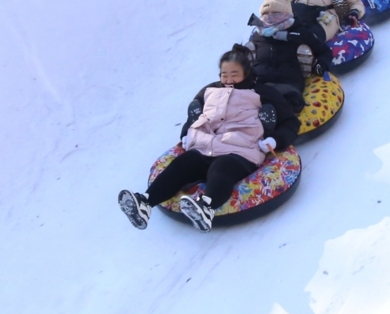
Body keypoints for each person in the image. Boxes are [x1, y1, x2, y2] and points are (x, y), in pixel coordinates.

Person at [118, 45, 298, 231]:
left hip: (241, 149)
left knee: (221, 168)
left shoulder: (262, 92)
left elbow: (291, 123)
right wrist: (186, 133)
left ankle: (206, 207)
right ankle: (145, 203)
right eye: (224, 75)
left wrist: (275, 140)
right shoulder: (210, 90)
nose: (228, 80)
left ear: (247, 72)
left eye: (234, 74)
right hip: (206, 145)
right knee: (182, 164)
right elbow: (195, 115)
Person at [246, 0, 332, 104]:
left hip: (287, 82)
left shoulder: (300, 33)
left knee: (280, 101)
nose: (270, 17)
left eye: (275, 13)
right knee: (248, 100)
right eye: (266, 13)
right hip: (260, 82)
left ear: (285, 13)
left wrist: (321, 64)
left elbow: (324, 51)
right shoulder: (259, 35)